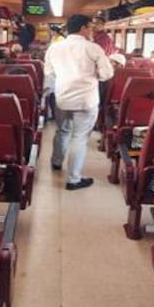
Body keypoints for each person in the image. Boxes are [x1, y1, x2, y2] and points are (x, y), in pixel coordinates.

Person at [44, 14, 113, 190]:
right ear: (83, 28)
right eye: (90, 27)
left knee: (63, 131)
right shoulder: (93, 48)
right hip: (85, 100)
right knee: (80, 138)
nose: (91, 30)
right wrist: (94, 74)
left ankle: (56, 161)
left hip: (62, 97)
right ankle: (73, 179)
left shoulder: (55, 48)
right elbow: (107, 74)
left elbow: (49, 73)